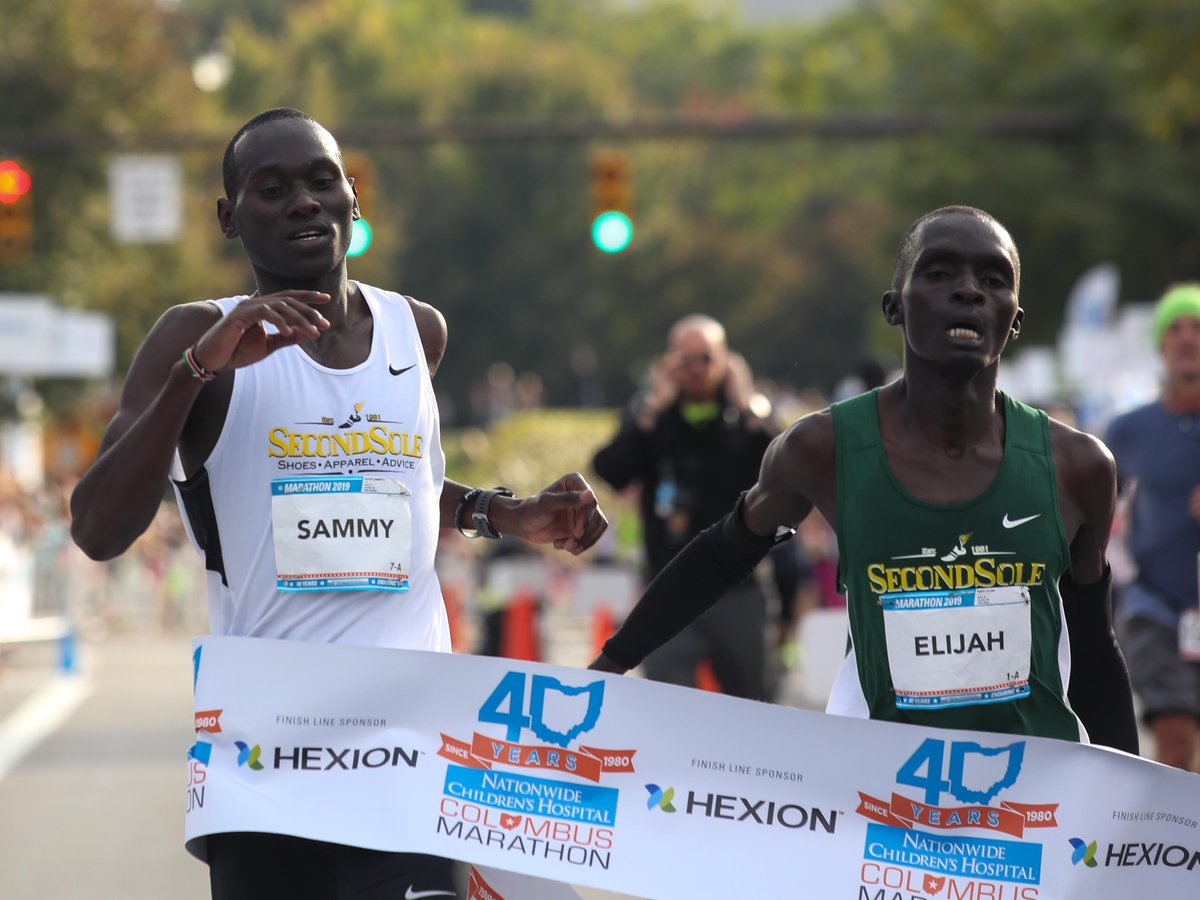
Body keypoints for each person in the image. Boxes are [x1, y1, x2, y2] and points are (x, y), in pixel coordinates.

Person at [68, 107, 607, 900]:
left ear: (355, 196)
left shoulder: (415, 330)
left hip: (413, 738)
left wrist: (504, 513)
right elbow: (97, 528)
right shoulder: (194, 336)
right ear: (229, 217)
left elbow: (394, 481)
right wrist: (199, 370)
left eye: (323, 182)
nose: (303, 203)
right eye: (272, 189)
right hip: (268, 753)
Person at [591, 206, 1139, 754]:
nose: (968, 291)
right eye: (940, 272)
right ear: (894, 307)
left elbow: (1092, 647)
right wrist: (607, 665)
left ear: (1014, 318)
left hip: (1032, 796)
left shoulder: (1079, 467)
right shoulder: (822, 449)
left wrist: (1136, 810)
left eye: (993, 279)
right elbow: (719, 556)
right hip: (880, 791)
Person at [591, 315, 780, 700]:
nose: (695, 369)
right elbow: (610, 470)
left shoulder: (745, 419)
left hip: (739, 589)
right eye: (684, 358)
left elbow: (782, 468)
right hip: (668, 585)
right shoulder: (652, 418)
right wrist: (653, 408)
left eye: (705, 358)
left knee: (754, 705)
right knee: (668, 708)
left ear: (726, 362)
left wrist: (746, 406)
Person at [1105, 283, 1200, 771]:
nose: (1187, 338)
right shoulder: (1129, 429)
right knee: (1177, 742)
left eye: (1197, 327)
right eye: (1175, 329)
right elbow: (1094, 512)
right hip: (1156, 609)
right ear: (1161, 345)